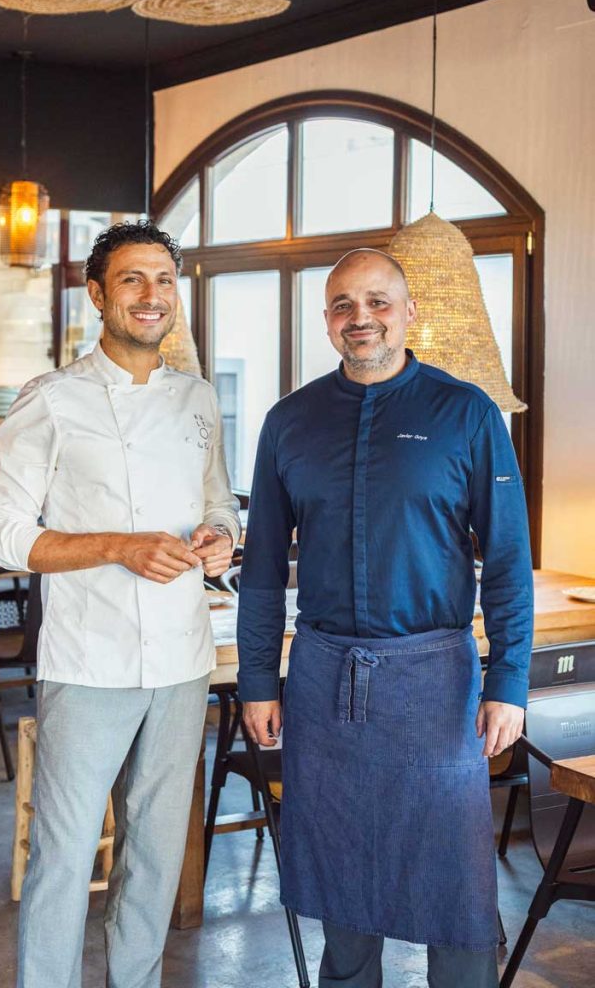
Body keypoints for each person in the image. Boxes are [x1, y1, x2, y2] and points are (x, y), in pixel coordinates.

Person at [237, 248, 533, 988]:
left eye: (376, 302)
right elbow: (264, 566)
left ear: (408, 313)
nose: (358, 317)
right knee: (340, 866)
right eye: (342, 304)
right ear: (327, 320)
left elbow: (504, 560)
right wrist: (255, 680)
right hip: (321, 680)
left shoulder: (465, 412)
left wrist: (510, 680)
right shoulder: (288, 421)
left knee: (454, 876)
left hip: (435, 685)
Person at [0, 220, 240, 988]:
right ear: (97, 295)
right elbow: (0, 534)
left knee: (156, 855)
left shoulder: (196, 399)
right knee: (62, 857)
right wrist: (117, 546)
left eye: (162, 280)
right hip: (87, 662)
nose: (150, 295)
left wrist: (221, 537)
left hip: (181, 658)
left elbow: (218, 503)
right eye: (131, 280)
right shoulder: (50, 400)